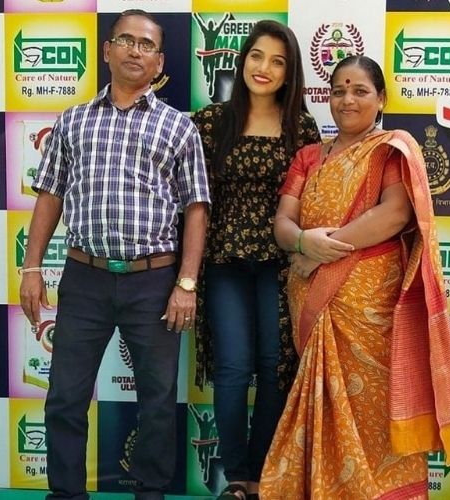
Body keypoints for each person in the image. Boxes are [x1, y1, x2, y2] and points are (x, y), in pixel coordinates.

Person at [19, 9, 210, 500]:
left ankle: (149, 493)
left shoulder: (178, 129)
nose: (134, 50)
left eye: (146, 45)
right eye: (125, 40)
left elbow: (195, 210)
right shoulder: (73, 121)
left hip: (155, 282)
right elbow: (49, 195)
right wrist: (32, 267)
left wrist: (187, 283)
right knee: (64, 397)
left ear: (160, 60)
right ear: (107, 50)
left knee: (158, 399)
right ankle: (65, 493)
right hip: (85, 278)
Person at [259, 55, 450, 499]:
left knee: (375, 404)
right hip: (314, 300)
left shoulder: (391, 148)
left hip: (371, 306)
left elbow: (393, 214)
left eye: (359, 91)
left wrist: (320, 251)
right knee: (327, 403)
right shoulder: (308, 157)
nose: (346, 100)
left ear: (381, 98)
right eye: (337, 90)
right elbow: (283, 222)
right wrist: (301, 244)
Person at [192, 20, 320, 500]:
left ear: (290, 74)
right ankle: (236, 480)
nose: (264, 68)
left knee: (273, 366)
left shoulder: (302, 128)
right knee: (230, 368)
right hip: (224, 261)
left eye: (278, 61)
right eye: (257, 56)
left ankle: (266, 475)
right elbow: (194, 203)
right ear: (242, 60)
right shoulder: (209, 122)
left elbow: (312, 200)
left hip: (281, 264)